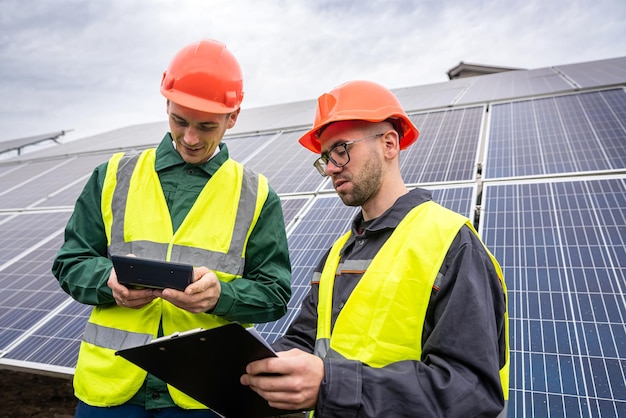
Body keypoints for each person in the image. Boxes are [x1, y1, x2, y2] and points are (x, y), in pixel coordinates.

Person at [52, 39, 292, 417]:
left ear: (234, 117)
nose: (190, 138)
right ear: (167, 104)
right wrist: (107, 282)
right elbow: (71, 261)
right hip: (111, 392)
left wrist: (220, 298)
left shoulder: (259, 196)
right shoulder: (112, 176)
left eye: (207, 125)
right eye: (180, 121)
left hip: (204, 395)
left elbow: (275, 293)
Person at [241, 80, 509, 417]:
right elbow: (304, 343)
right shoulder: (338, 253)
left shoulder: (451, 243)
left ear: (389, 143)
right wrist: (246, 367)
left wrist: (330, 385)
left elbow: (469, 392)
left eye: (341, 149)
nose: (332, 169)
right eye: (325, 157)